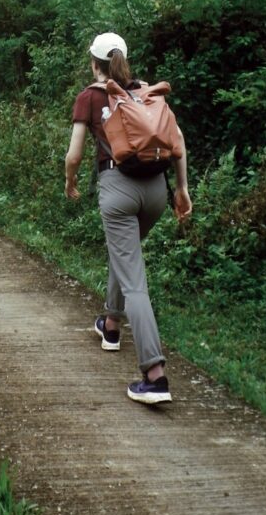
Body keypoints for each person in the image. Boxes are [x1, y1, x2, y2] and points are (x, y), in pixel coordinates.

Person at [64, 32, 192, 405]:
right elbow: (178, 142)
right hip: (155, 191)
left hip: (118, 190)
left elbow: (74, 155)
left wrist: (70, 181)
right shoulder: (144, 92)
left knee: (134, 280)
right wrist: (180, 190)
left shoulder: (89, 96)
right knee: (126, 256)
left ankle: (154, 375)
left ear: (94, 63)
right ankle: (111, 325)